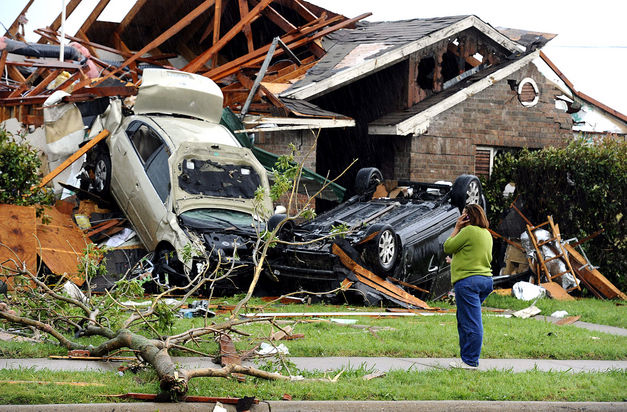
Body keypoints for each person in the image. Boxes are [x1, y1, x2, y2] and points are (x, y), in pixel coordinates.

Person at [443, 203, 493, 369]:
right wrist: (455, 260)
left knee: (471, 322)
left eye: (463, 215)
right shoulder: (486, 234)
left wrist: (457, 227)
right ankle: (466, 359)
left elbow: (448, 246)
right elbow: (475, 256)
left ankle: (470, 361)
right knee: (466, 319)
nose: (461, 218)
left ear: (467, 217)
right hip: (484, 280)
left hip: (468, 282)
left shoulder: (468, 231)